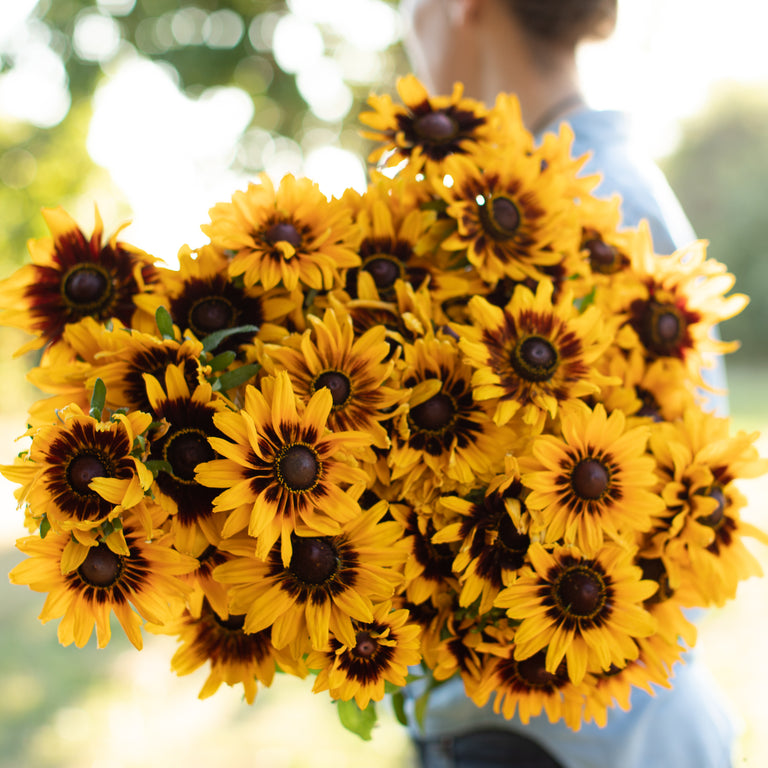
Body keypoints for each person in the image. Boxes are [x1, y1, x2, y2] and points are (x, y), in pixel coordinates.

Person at [397, 1, 735, 766]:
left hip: (574, 739)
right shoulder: (529, 194)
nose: (408, 22)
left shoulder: (588, 206)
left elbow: (653, 525)